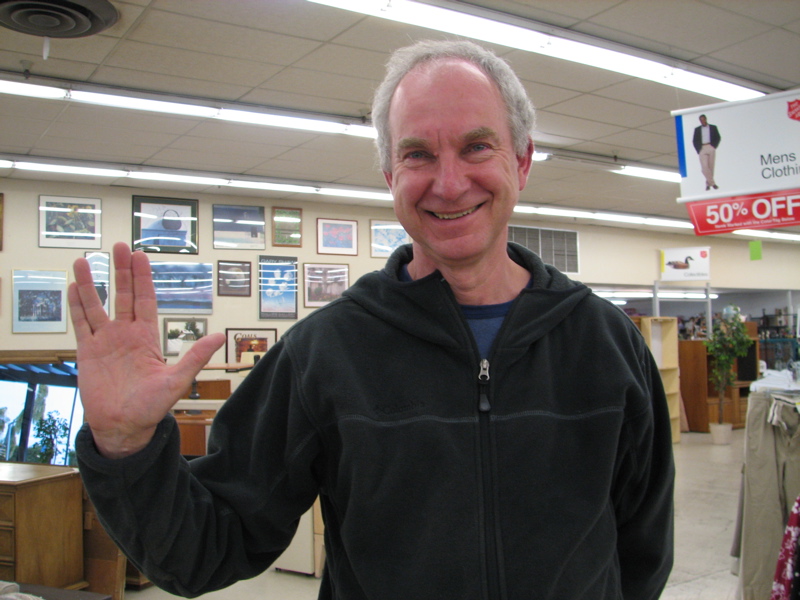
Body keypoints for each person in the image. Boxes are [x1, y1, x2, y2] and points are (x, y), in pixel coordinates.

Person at [69, 40, 674, 600]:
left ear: (522, 159)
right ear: (390, 178)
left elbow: (640, 555)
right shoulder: (325, 353)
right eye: (417, 154)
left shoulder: (607, 344)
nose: (448, 181)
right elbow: (205, 549)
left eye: (476, 146)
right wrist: (126, 445)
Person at [692, 114, 721, 190]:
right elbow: (694, 140)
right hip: (702, 147)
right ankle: (713, 183)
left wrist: (714, 146)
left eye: (703, 119)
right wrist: (698, 149)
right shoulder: (697, 129)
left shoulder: (713, 127)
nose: (702, 121)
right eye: (700, 120)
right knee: (704, 167)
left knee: (711, 166)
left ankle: (708, 184)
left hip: (710, 146)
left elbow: (718, 137)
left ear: (706, 119)